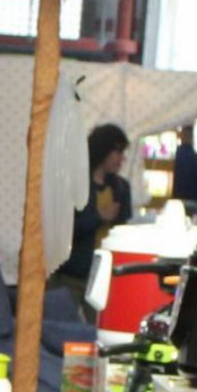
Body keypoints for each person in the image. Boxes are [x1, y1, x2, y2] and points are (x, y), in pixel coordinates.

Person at [56, 123, 133, 290]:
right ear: (103, 149)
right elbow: (63, 231)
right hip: (72, 274)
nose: (122, 159)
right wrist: (99, 218)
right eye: (118, 152)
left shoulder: (122, 188)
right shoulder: (75, 185)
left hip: (105, 276)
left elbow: (123, 229)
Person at [171, 123, 197, 203]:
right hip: (194, 200)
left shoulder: (172, 159)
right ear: (192, 137)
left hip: (174, 201)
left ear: (181, 136)